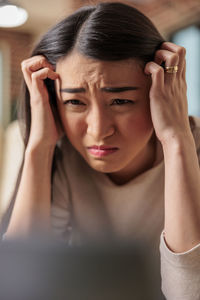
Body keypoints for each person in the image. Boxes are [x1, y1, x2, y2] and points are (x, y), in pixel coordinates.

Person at [0, 1, 200, 299]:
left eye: (120, 101)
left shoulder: (192, 146)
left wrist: (176, 140)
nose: (98, 130)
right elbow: (18, 286)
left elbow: (189, 294)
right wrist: (39, 148)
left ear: (161, 94)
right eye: (75, 102)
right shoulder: (63, 156)